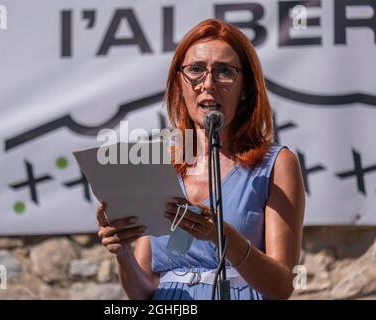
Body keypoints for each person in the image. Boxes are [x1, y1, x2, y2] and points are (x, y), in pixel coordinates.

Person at [96, 19, 305, 300]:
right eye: (195, 70)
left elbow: (282, 287)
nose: (208, 83)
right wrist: (122, 253)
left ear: (245, 88)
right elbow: (143, 291)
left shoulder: (276, 163)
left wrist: (223, 237)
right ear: (179, 84)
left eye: (224, 71)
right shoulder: (161, 164)